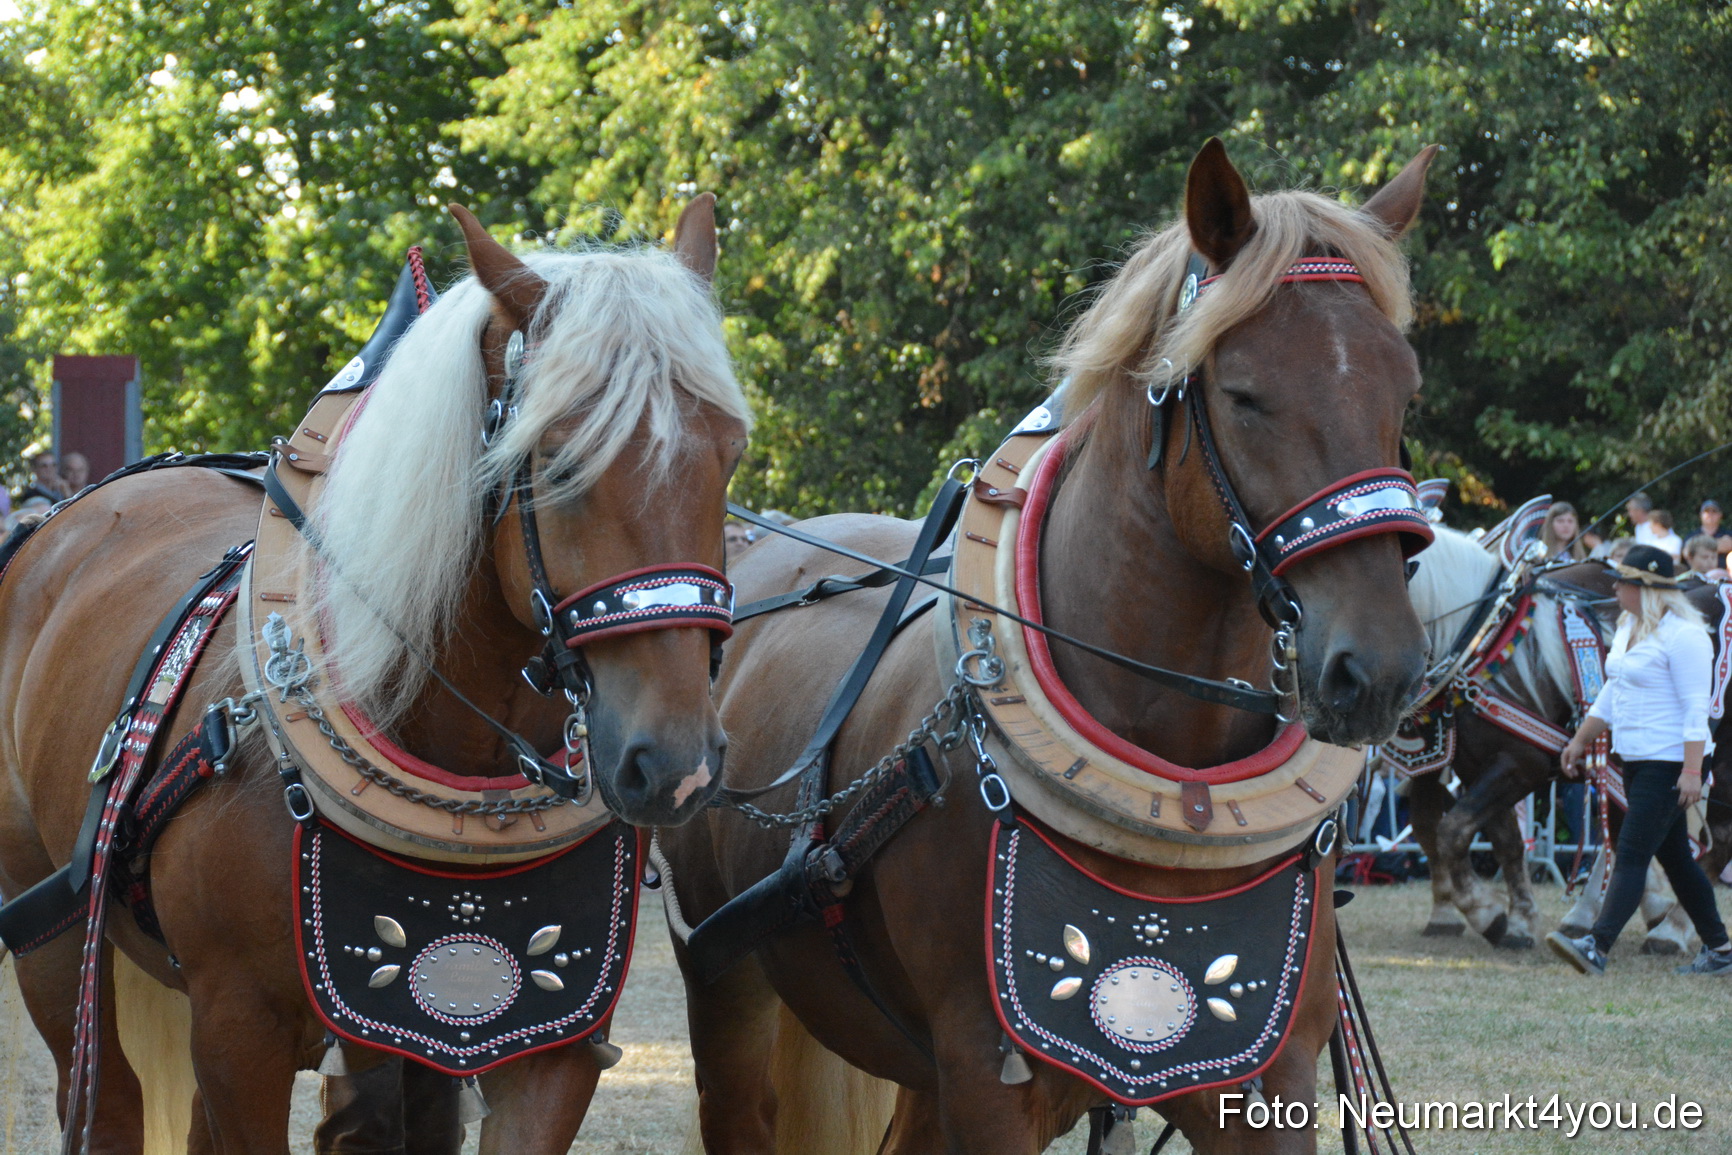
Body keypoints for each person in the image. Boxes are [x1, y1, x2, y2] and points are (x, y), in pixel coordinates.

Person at [1547, 545, 1732, 976]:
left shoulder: (1685, 636)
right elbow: (1612, 690)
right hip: (1637, 758)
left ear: (1646, 589)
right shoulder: (1631, 625)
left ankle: (1597, 944)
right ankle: (1722, 949)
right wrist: (1580, 739)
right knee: (1676, 861)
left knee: (1630, 852)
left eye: (1623, 582)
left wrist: (1691, 771)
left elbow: (1694, 708)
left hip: (1671, 762)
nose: (1614, 588)